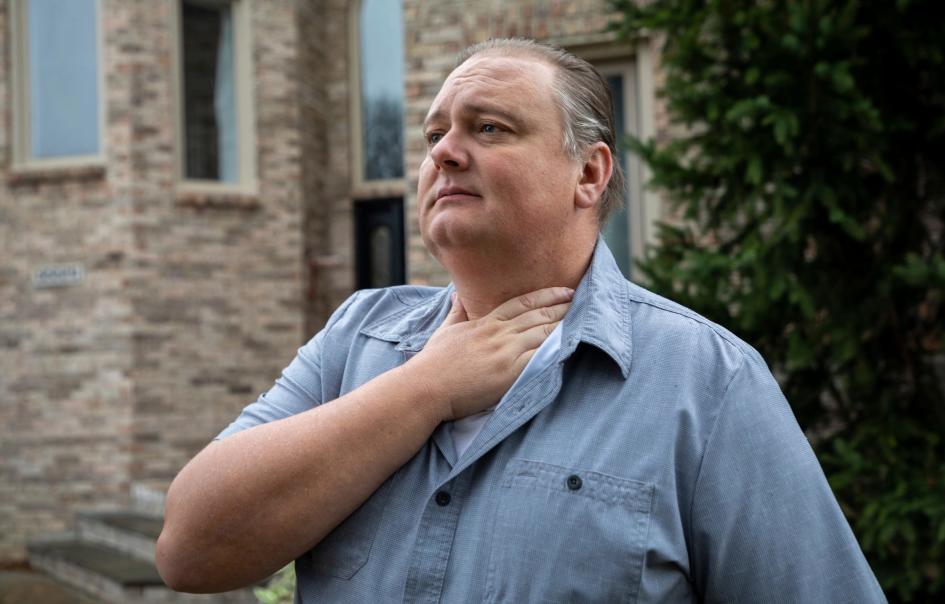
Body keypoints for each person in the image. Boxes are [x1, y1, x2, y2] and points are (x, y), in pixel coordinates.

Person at [156, 38, 886, 602]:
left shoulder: (705, 379)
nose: (444, 150)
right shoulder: (358, 338)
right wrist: (426, 389)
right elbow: (191, 548)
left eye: (490, 127)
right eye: (434, 134)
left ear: (589, 174)